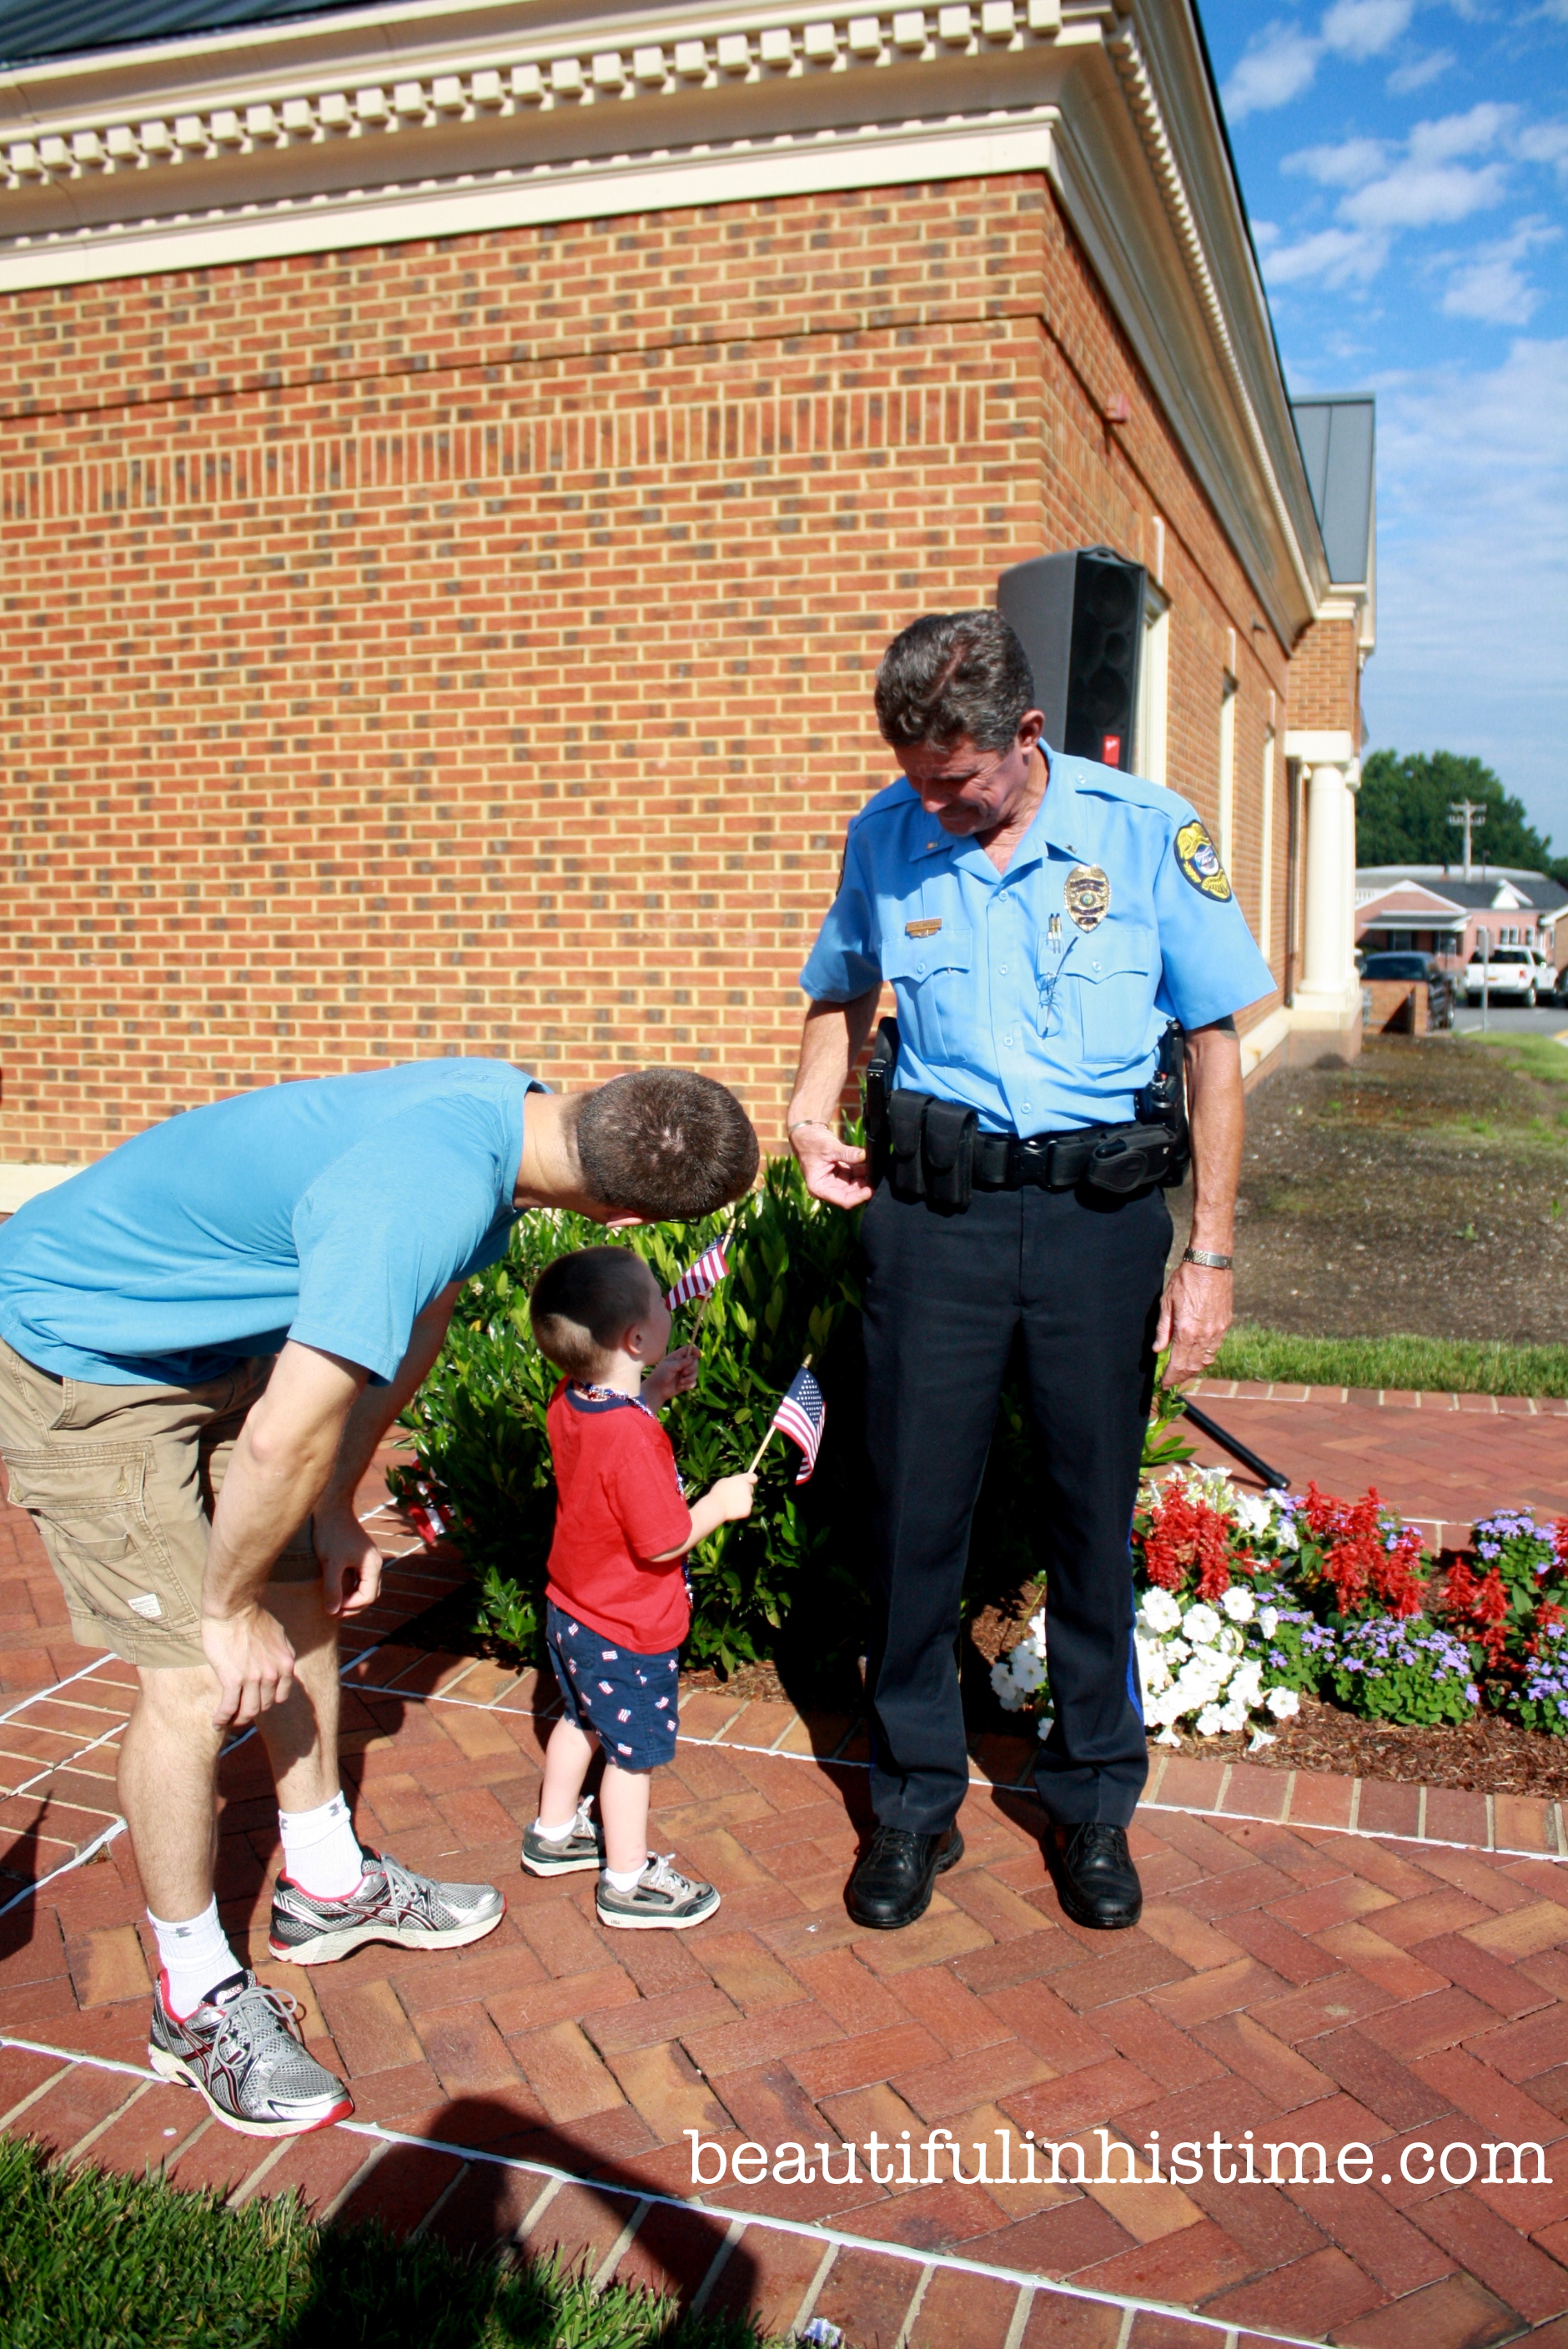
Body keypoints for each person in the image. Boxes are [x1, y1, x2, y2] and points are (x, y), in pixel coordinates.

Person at [0, 1060, 758, 2134]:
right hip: (84, 1351)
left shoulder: (512, 1114)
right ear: (626, 1212)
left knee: (305, 1598)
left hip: (210, 1344)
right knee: (191, 1676)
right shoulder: (424, 1190)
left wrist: (337, 1505)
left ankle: (321, 1880)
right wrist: (222, 1610)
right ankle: (190, 1995)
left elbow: (419, 1324)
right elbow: (279, 1431)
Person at [787, 610, 1271, 1935]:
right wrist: (809, 1105)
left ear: (1028, 736)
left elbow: (1216, 1046)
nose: (933, 803)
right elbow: (844, 990)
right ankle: (911, 1806)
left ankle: (1092, 1798)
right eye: (917, 777)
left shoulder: (1144, 831)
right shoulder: (888, 833)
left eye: (959, 780)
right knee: (912, 1519)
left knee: (1086, 1511)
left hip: (1095, 1222)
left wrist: (1210, 1254)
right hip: (933, 1220)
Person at [522, 1245, 756, 1929]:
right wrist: (717, 1502)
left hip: (571, 1609)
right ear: (635, 1338)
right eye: (658, 1300)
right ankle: (627, 1882)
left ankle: (553, 1832)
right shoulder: (635, 1442)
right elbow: (662, 1540)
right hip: (626, 1626)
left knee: (580, 1718)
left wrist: (652, 1393)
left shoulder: (572, 1400)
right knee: (632, 1755)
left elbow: (609, 1436)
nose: (667, 1303)